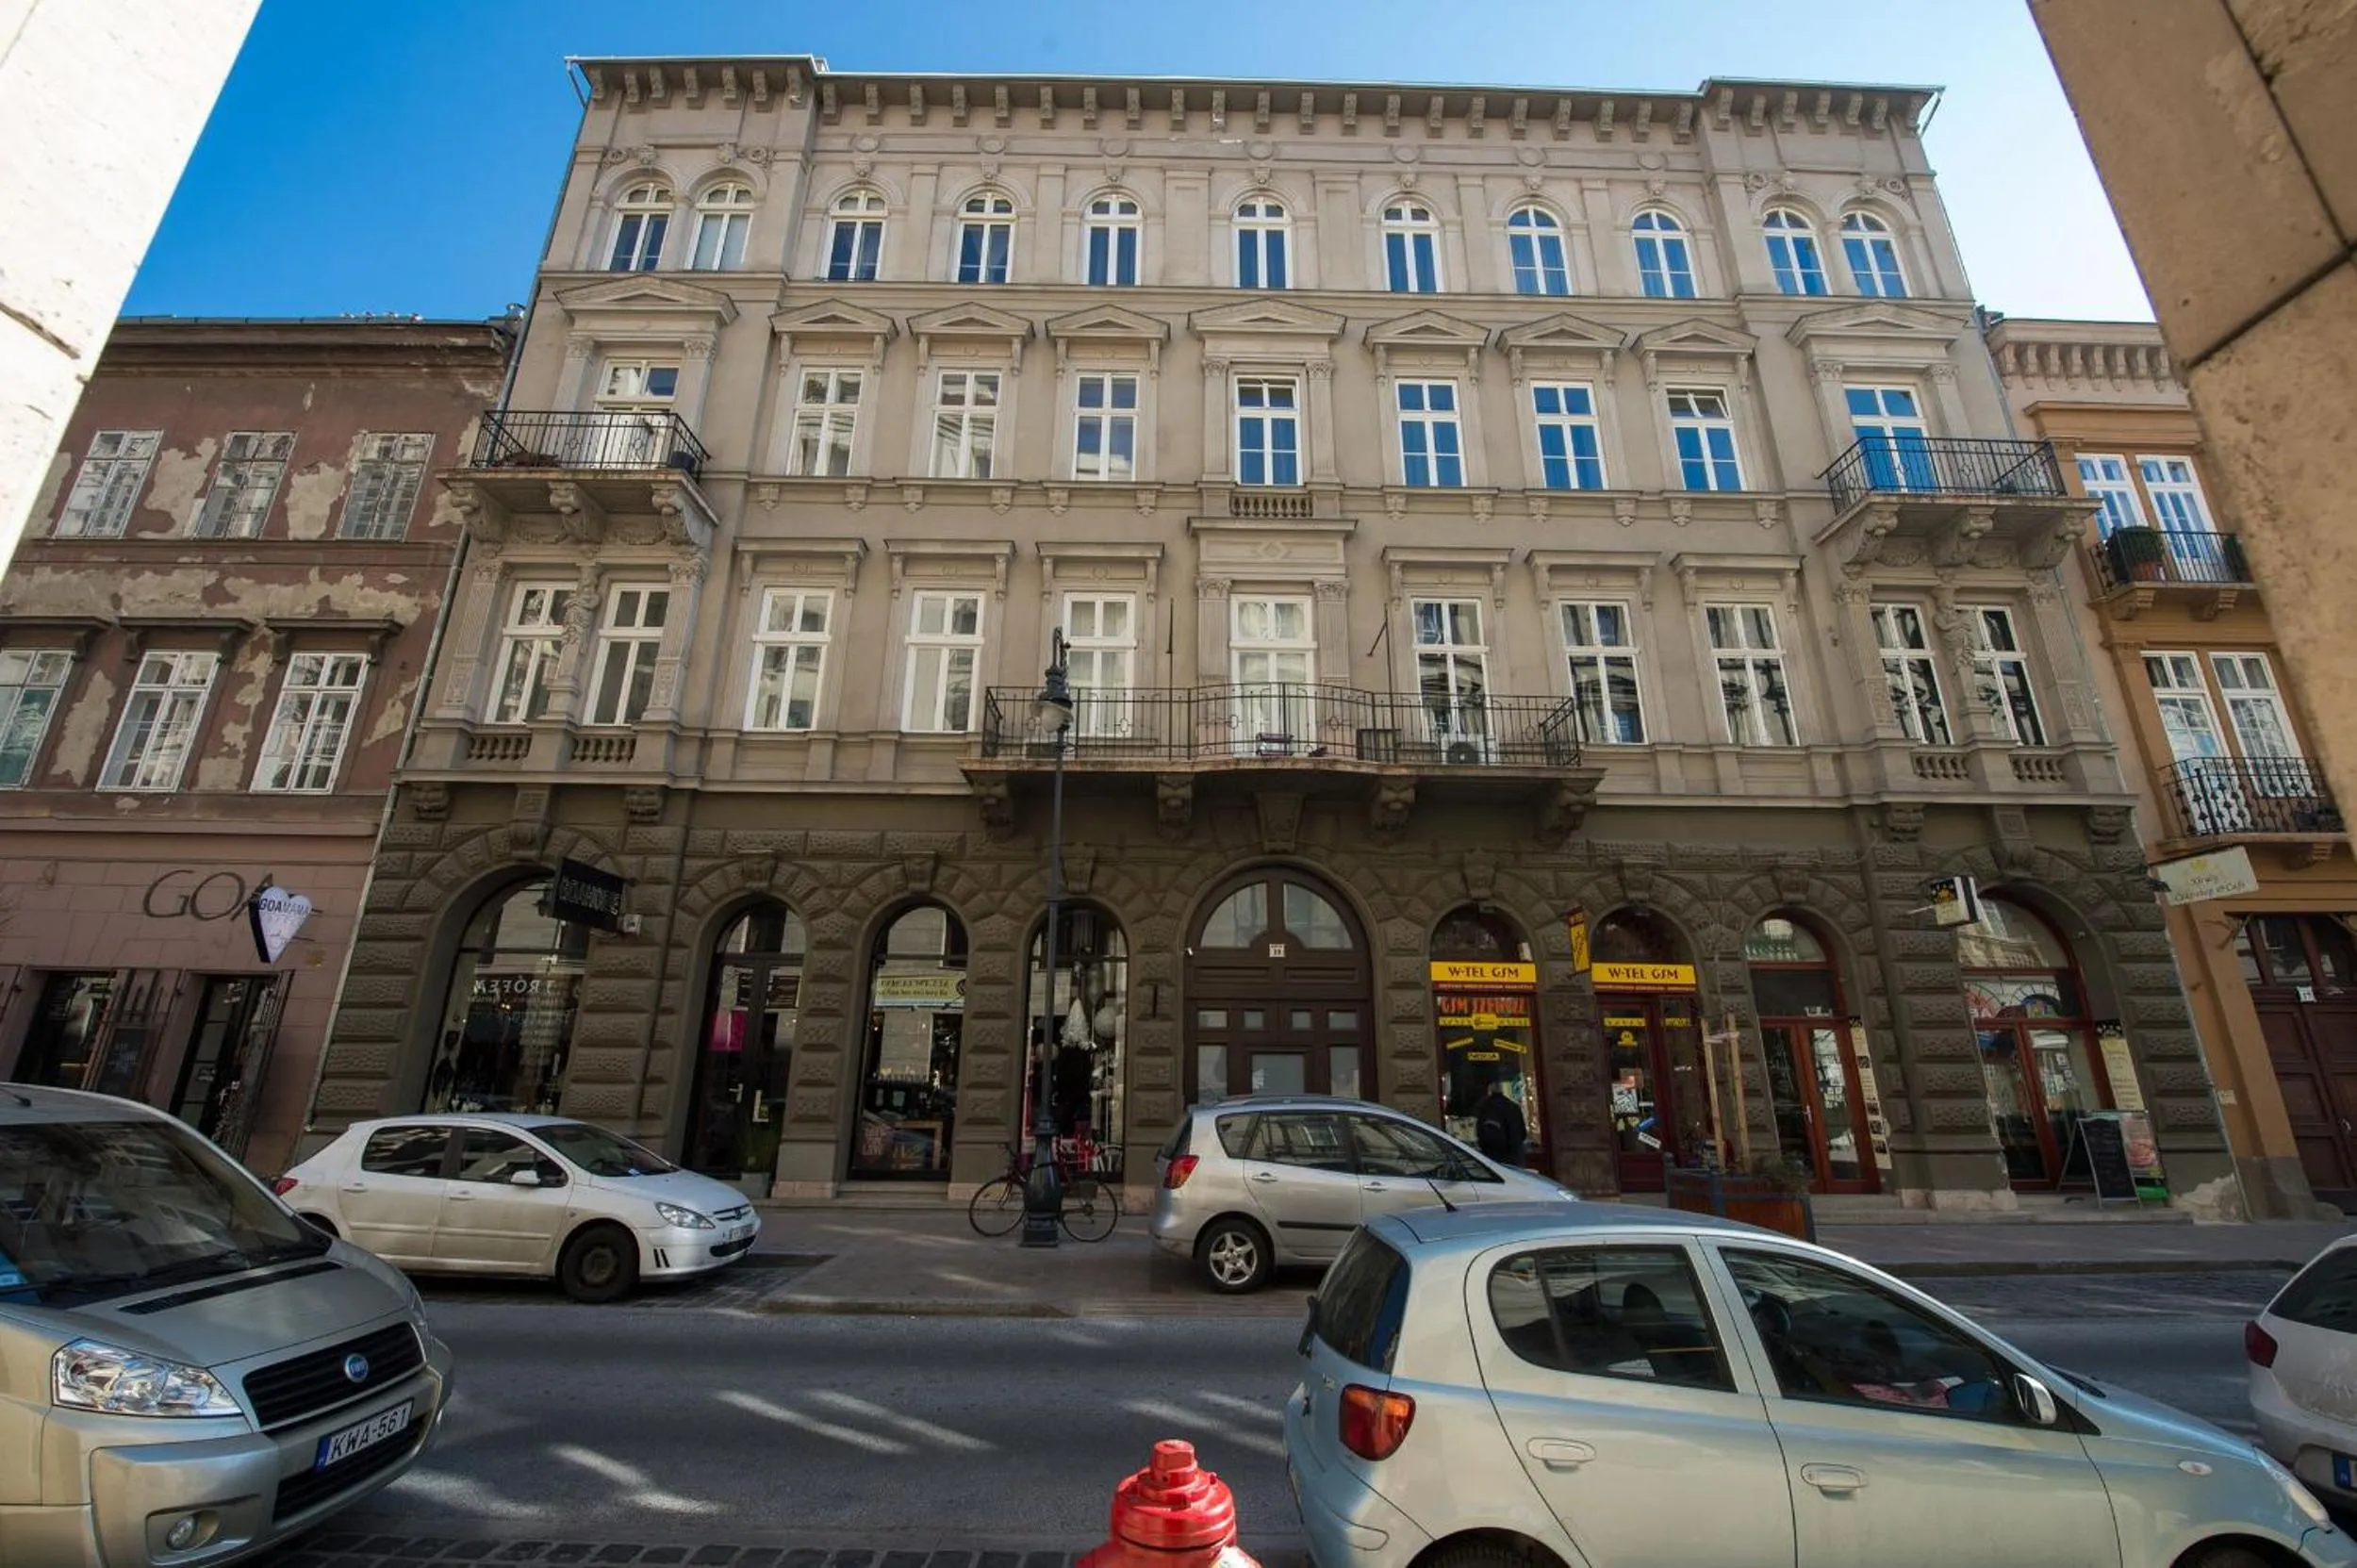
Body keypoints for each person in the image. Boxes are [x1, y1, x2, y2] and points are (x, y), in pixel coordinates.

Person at [1475, 1081, 1527, 1166]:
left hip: (1495, 1156)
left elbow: (1484, 1135)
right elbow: (1523, 1133)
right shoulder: (1513, 1106)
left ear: (1489, 1092)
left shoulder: (1486, 1108)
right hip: (1515, 1155)